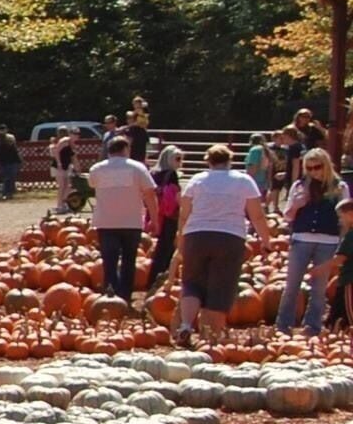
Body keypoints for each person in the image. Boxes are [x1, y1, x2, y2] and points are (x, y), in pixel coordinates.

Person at [173, 142, 271, 347]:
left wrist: (181, 239)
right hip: (230, 236)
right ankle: (210, 337)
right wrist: (266, 240)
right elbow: (257, 215)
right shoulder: (243, 180)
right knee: (221, 286)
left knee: (191, 283)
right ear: (230, 161)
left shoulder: (197, 180)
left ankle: (185, 325)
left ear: (208, 161)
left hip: (196, 234)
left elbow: (184, 214)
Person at [278, 148, 346, 336]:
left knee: (319, 287)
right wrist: (297, 205)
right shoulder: (299, 186)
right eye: (309, 168)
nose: (314, 171)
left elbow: (346, 217)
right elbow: (288, 217)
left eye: (318, 167)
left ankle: (312, 326)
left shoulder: (339, 187)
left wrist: (343, 242)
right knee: (292, 284)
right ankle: (284, 325)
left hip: (328, 241)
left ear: (326, 165)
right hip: (301, 239)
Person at [87, 135, 159, 303]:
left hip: (106, 221)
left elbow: (92, 184)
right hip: (131, 221)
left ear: (109, 150)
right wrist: (154, 219)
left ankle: (110, 294)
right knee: (129, 259)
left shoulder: (97, 169)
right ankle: (125, 295)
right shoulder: (137, 168)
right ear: (126, 149)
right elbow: (150, 194)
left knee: (109, 260)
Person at [147, 145, 184, 288]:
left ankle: (154, 277)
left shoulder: (154, 173)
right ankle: (162, 277)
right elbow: (176, 197)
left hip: (156, 212)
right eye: (177, 158)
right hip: (169, 214)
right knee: (167, 246)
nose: (180, 161)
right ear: (169, 159)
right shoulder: (171, 175)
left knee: (161, 246)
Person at [328, 197, 353, 328]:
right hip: (344, 279)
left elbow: (340, 259)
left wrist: (321, 268)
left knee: (349, 310)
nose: (340, 221)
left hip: (349, 279)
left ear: (350, 215)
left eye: (341, 217)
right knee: (339, 310)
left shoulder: (350, 236)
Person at [51, 131, 78, 211]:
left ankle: (65, 204)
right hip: (59, 166)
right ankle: (59, 205)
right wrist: (59, 163)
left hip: (66, 166)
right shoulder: (64, 141)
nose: (76, 136)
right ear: (70, 134)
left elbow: (74, 157)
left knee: (68, 186)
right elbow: (56, 151)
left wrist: (77, 169)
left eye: (77, 135)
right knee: (62, 186)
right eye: (74, 134)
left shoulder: (72, 144)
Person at [0, 129, 22, 201]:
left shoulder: (7, 145)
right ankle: (8, 193)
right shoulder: (3, 146)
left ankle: (7, 193)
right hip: (9, 164)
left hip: (9, 163)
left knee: (7, 179)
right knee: (9, 179)